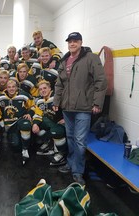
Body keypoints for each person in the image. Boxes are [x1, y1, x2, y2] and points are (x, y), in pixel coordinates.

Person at [53, 32, 107, 185]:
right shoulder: (64, 61)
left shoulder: (91, 58)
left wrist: (97, 103)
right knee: (70, 138)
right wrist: (57, 101)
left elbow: (101, 81)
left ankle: (78, 172)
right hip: (67, 107)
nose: (72, 43)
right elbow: (59, 84)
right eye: (70, 41)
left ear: (81, 42)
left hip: (83, 107)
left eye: (75, 41)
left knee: (80, 141)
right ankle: (71, 163)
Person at [0, 79, 43, 164]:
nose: (11, 89)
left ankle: (25, 149)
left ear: (17, 87)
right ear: (6, 88)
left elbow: (33, 106)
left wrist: (30, 113)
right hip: (8, 126)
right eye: (9, 87)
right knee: (15, 146)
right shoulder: (1, 98)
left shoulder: (24, 96)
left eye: (13, 87)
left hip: (19, 122)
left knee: (25, 124)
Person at [33, 80, 67, 166]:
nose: (43, 90)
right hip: (52, 124)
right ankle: (49, 144)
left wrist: (66, 118)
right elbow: (38, 114)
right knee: (37, 126)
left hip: (62, 125)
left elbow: (69, 107)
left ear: (50, 88)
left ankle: (62, 153)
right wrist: (35, 124)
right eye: (40, 89)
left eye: (45, 88)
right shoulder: (40, 101)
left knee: (56, 131)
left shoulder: (57, 97)